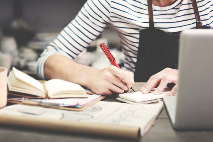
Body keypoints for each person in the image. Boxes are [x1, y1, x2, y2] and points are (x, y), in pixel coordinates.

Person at [36, 0, 213, 96]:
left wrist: (193, 77)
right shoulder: (111, 2)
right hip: (137, 102)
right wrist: (91, 75)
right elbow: (46, 61)